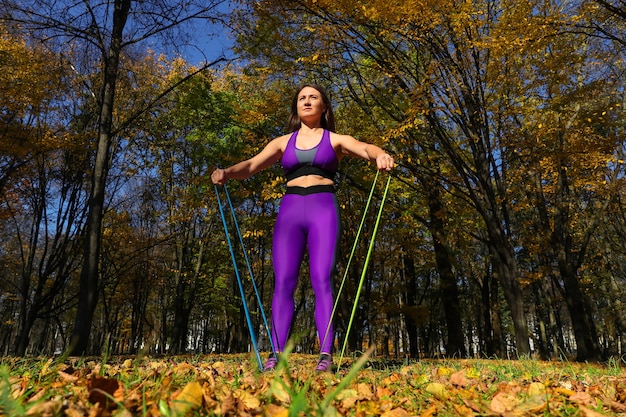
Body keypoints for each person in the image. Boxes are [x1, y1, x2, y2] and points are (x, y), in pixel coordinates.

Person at [211, 84, 394, 372]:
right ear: (296, 107)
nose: (307, 101)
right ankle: (275, 354)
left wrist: (380, 154)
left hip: (324, 208)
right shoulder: (282, 142)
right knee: (284, 281)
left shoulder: (335, 139)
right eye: (301, 98)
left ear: (324, 107)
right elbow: (251, 165)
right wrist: (227, 173)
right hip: (290, 210)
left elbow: (365, 148)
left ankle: (325, 355)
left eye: (313, 97)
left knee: (323, 278)